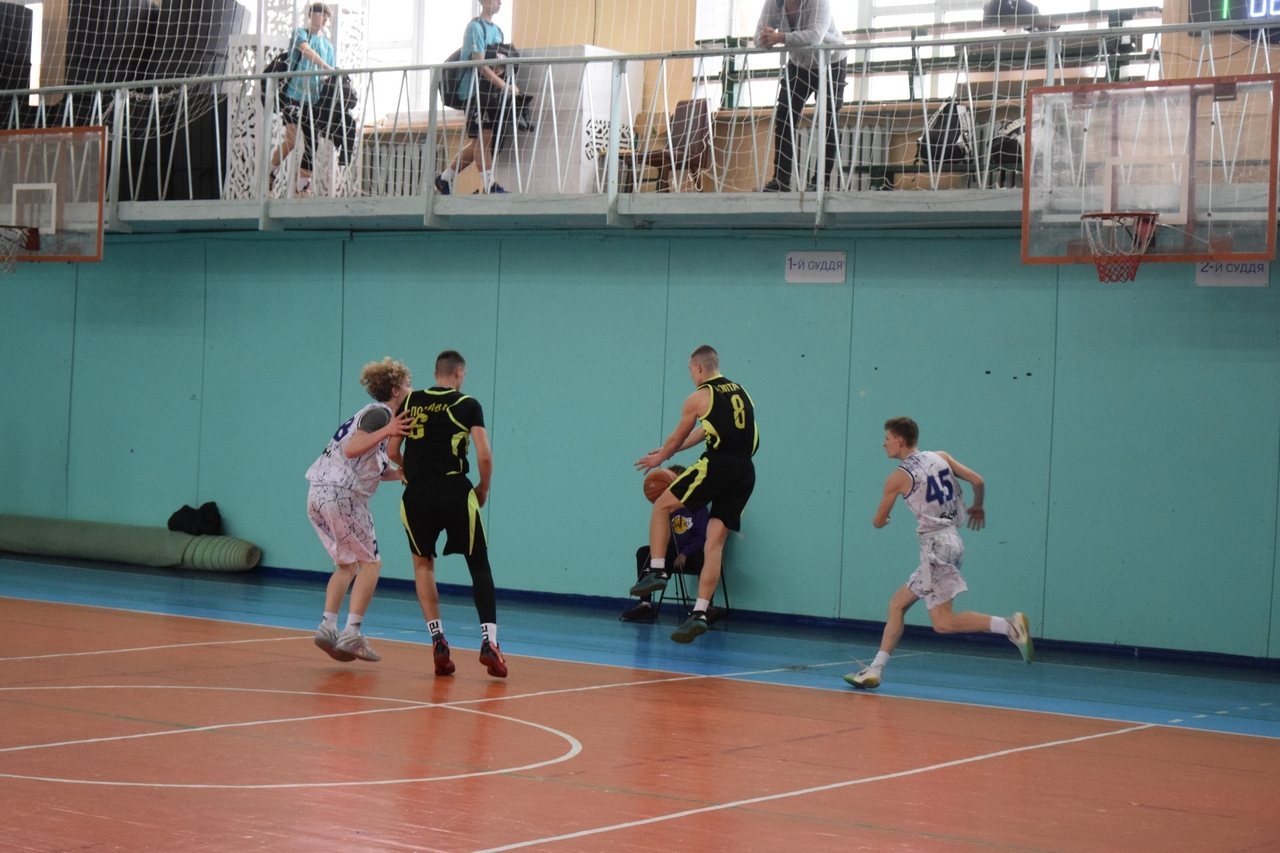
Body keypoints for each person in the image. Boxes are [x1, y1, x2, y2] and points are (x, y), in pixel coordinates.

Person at [844, 416, 1033, 690]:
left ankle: (1010, 626)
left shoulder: (897, 478)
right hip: (953, 540)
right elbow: (978, 481)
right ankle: (875, 669)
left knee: (943, 623)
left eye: (887, 438)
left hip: (936, 546)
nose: (884, 444)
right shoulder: (940, 456)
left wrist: (883, 520)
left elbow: (877, 521)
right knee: (897, 604)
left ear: (900, 440)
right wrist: (978, 506)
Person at [389, 350, 506, 678]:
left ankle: (438, 639)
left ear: (434, 373)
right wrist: (483, 488)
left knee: (423, 565)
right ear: (459, 373)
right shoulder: (468, 404)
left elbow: (392, 451)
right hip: (455, 489)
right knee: (478, 564)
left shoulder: (410, 401)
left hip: (416, 494)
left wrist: (412, 469)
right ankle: (489, 643)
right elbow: (484, 454)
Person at [634, 346, 758, 643]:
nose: (691, 375)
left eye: (690, 370)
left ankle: (658, 570)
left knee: (662, 505)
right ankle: (700, 612)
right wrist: (673, 450)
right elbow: (705, 431)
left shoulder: (700, 396)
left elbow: (678, 434)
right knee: (714, 544)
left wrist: (661, 456)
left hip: (718, 463)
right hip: (745, 471)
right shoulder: (741, 392)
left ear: (699, 368)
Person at [305, 358, 413, 663]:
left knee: (347, 565)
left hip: (318, 494)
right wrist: (390, 428)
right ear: (395, 390)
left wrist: (403, 472)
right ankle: (352, 633)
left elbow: (371, 466)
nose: (411, 389)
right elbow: (354, 448)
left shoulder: (371, 418)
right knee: (371, 565)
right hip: (342, 495)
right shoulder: (381, 414)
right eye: (408, 384)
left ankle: (327, 627)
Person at [755, 0, 848, 192]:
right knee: (784, 116)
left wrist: (780, 37)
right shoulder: (773, 3)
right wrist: (766, 39)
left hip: (831, 61)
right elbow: (757, 37)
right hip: (799, 64)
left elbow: (815, 36)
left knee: (828, 120)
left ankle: (821, 182)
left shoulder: (819, 2)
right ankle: (781, 180)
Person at [434, 0, 518, 196]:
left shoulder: (498, 31)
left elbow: (496, 60)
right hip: (473, 92)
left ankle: (443, 179)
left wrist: (500, 70)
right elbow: (479, 64)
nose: (500, 2)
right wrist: (504, 85)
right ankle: (490, 185)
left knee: (479, 143)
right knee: (483, 142)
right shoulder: (475, 28)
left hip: (488, 92)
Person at [621, 465, 710, 624]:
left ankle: (704, 608)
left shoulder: (697, 506)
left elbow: (703, 536)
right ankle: (645, 605)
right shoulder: (664, 507)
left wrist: (685, 553)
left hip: (691, 554)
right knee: (643, 552)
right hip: (671, 553)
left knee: (705, 557)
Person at [271, 2, 337, 197]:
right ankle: (270, 173)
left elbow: (328, 76)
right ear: (311, 14)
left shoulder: (328, 46)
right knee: (291, 140)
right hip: (294, 96)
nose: (325, 19)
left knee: (312, 143)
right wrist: (326, 67)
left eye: (328, 16)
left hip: (314, 100)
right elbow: (306, 51)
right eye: (322, 14)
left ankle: (302, 188)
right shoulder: (299, 34)